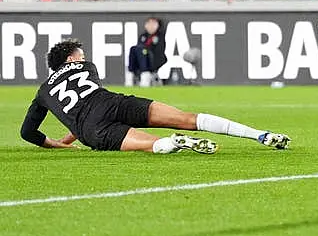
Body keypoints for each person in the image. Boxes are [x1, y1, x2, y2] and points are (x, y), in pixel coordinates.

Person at [20, 40, 290, 153]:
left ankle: (172, 143)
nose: (84, 57)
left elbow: (27, 132)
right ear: (71, 60)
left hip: (93, 129)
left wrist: (60, 144)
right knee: (187, 117)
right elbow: (87, 98)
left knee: (152, 144)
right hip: (113, 102)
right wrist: (71, 134)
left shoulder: (43, 91)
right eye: (80, 54)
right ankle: (259, 135)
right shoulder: (85, 67)